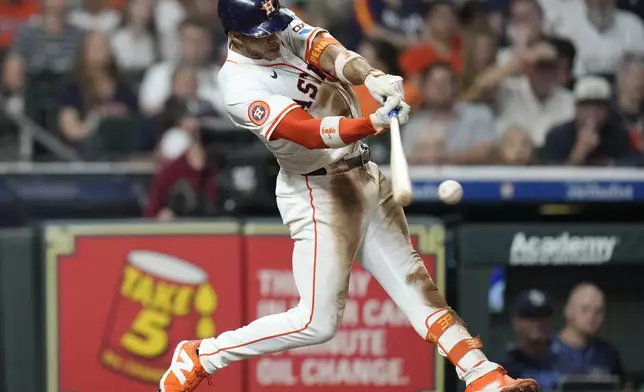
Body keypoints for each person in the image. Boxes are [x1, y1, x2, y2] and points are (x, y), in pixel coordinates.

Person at [157, 1, 540, 392]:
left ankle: (482, 375)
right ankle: (203, 356)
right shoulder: (238, 85)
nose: (273, 38)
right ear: (236, 36)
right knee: (315, 323)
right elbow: (305, 131)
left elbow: (324, 49)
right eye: (262, 35)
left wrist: (371, 77)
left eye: (273, 28)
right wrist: (371, 122)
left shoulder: (278, 20)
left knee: (415, 283)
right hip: (318, 190)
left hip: (362, 172)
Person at [403, 62, 497, 165]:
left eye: (444, 82)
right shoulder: (414, 125)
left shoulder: (478, 114)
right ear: (424, 89)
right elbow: (406, 160)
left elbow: (488, 151)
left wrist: (446, 157)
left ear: (455, 86)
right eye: (433, 83)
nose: (439, 88)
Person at [57, 31, 138, 148]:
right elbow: (70, 127)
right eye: (95, 47)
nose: (100, 51)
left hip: (124, 148)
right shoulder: (72, 86)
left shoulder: (124, 86)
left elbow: (135, 120)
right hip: (87, 151)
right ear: (84, 52)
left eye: (103, 46)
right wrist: (93, 127)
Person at [543, 76, 640, 166]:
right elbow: (552, 176)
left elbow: (630, 167)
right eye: (586, 106)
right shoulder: (557, 135)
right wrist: (578, 155)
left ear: (608, 110)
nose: (593, 112)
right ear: (576, 108)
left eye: (599, 106)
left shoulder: (620, 135)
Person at [553, 283, 624, 378]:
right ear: (568, 311)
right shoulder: (546, 350)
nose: (591, 317)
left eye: (598, 311)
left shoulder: (608, 353)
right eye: (585, 310)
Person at [500, 290, 560, 390]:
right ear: (515, 322)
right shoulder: (503, 369)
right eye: (530, 316)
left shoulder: (565, 361)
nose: (537, 322)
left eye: (543, 316)